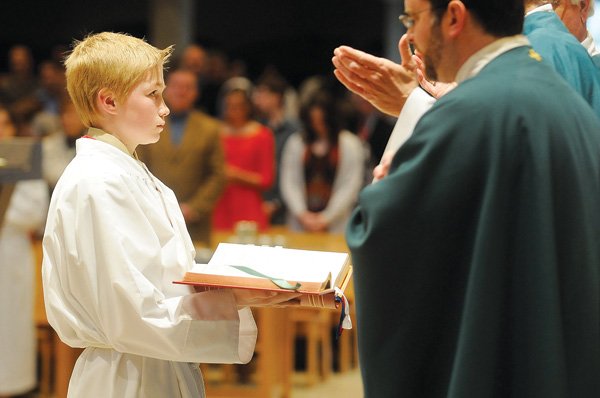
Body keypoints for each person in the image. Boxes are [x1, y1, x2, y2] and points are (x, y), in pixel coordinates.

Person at [343, 0, 600, 396]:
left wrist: (386, 184)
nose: (410, 37)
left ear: (453, 17)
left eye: (413, 20)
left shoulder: (474, 110)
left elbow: (381, 232)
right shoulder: (553, 91)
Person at [42, 32, 298, 398]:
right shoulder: (98, 182)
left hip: (153, 363)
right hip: (127, 376)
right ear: (109, 100)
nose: (165, 108)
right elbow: (131, 315)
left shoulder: (126, 170)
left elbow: (160, 281)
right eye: (153, 94)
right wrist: (232, 299)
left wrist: (234, 287)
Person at [137, 69, 225, 247]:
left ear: (196, 93)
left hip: (195, 223)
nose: (181, 91)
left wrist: (194, 208)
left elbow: (217, 175)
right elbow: (138, 166)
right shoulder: (146, 123)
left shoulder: (210, 128)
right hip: (153, 218)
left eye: (188, 87)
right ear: (165, 90)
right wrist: (155, 204)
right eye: (176, 86)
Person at [0, 104, 49, 398]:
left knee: (11, 324)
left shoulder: (24, 159)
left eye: (4, 123)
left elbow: (35, 211)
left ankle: (14, 385)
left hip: (12, 251)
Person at [280, 91, 364, 233]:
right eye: (314, 121)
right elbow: (289, 181)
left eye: (322, 121)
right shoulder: (296, 142)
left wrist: (326, 218)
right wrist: (302, 214)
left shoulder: (350, 143)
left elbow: (350, 185)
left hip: (336, 224)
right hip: (301, 223)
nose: (318, 126)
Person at [212, 88, 275, 232]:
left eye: (238, 106)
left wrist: (235, 175)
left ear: (247, 107)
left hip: (249, 207)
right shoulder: (215, 132)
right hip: (220, 205)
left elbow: (266, 179)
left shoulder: (262, 135)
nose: (234, 111)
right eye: (229, 106)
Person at [252, 72, 301, 225]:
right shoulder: (256, 127)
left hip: (286, 206)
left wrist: (276, 202)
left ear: (277, 97)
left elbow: (293, 170)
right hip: (258, 202)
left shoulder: (295, 130)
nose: (258, 98)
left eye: (263, 93)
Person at [42, 97, 85, 192]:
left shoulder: (96, 143)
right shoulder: (48, 145)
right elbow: (53, 177)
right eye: (64, 114)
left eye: (73, 114)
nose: (67, 119)